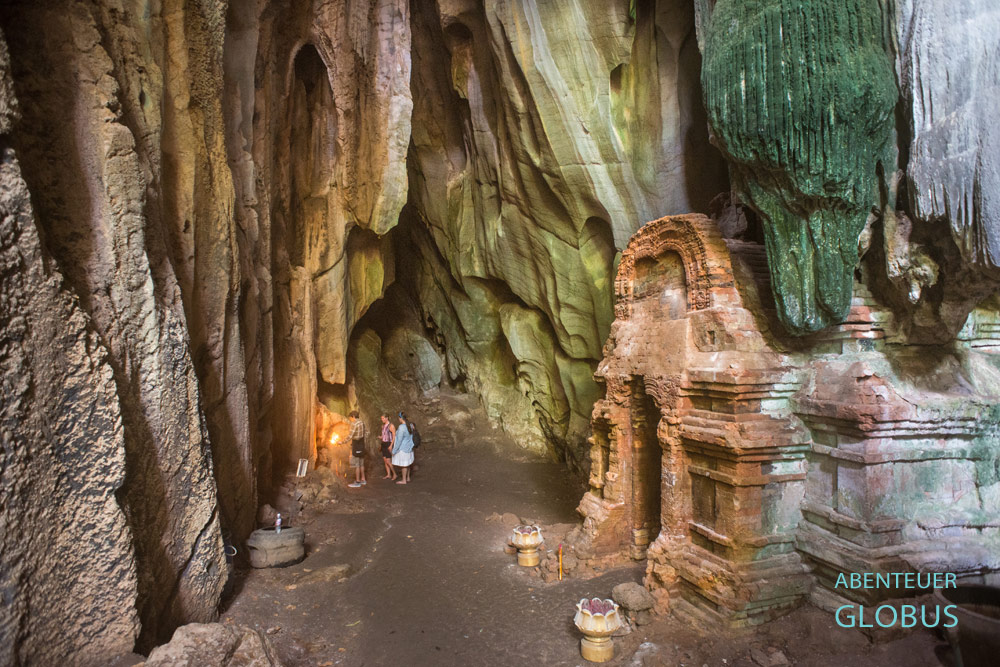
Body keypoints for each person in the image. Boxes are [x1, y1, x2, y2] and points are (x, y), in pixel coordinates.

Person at [390, 412, 415, 485]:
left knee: (404, 465)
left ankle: (404, 480)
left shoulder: (401, 427)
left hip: (403, 448)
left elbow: (399, 441)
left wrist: (394, 451)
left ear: (401, 418)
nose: (398, 419)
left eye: (399, 418)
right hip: (409, 447)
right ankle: (408, 477)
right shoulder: (410, 425)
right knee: (408, 463)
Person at [347, 410, 367, 488]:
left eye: (351, 418)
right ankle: (363, 480)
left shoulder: (354, 424)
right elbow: (367, 433)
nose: (351, 420)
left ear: (353, 416)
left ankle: (357, 482)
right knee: (362, 464)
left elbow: (350, 436)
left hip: (356, 445)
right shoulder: (362, 423)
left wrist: (341, 442)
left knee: (357, 465)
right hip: (362, 445)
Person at [379, 413, 397, 480]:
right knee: (385, 460)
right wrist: (381, 438)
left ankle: (395, 474)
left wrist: (391, 445)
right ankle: (388, 474)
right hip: (383, 444)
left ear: (387, 418)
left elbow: (394, 436)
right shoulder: (383, 426)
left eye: (383, 418)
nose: (382, 419)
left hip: (388, 444)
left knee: (388, 461)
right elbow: (384, 435)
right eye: (381, 418)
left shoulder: (391, 426)